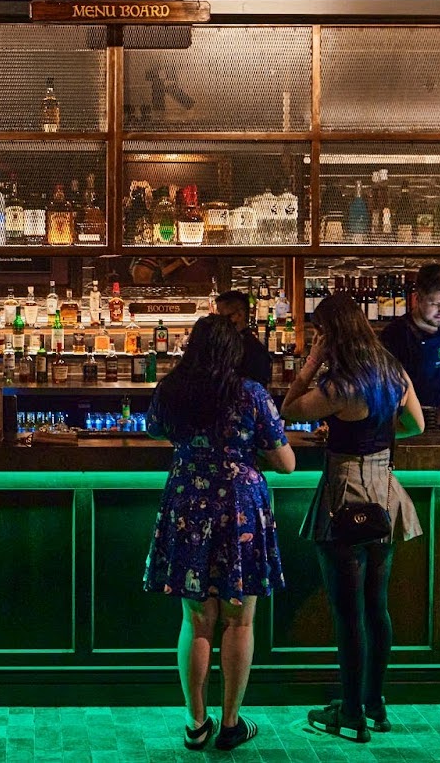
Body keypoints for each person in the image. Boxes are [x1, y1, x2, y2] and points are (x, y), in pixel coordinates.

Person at [143, 314, 296, 751]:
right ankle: (230, 723)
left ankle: (195, 724)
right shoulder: (251, 395)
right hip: (239, 512)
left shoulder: (172, 390)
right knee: (239, 619)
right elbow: (286, 463)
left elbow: (155, 430)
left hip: (188, 504)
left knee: (196, 620)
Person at [282, 293, 425, 743]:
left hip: (345, 495)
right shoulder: (392, 371)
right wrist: (374, 432)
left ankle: (349, 713)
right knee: (376, 606)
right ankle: (376, 705)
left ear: (331, 334)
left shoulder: (340, 385)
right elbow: (416, 425)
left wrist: (310, 364)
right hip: (384, 493)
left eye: (321, 333)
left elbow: (288, 409)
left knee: (348, 614)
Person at [378, 263, 440, 425]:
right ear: (417, 299)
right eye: (435, 304)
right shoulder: (395, 336)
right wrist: (434, 418)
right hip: (407, 429)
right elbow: (386, 392)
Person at [211, 290, 276, 387]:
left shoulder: (251, 349)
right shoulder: (233, 343)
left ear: (239, 315)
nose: (220, 321)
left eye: (223, 316)